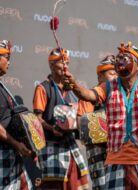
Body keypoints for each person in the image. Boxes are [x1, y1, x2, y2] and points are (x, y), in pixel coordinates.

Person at [64, 42, 138, 189]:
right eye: (120, 58)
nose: (121, 61)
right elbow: (86, 94)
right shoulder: (108, 87)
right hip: (116, 160)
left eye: (127, 58)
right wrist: (74, 84)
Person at [33, 47, 89, 190]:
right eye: (61, 62)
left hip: (69, 144)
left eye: (67, 63)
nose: (65, 66)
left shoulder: (71, 89)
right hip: (51, 145)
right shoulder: (42, 88)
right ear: (51, 65)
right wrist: (52, 128)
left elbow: (80, 112)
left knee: (76, 183)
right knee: (54, 185)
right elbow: (37, 118)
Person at [77, 54, 117, 190]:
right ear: (100, 76)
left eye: (117, 73)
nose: (116, 77)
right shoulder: (88, 97)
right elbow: (81, 125)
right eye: (112, 74)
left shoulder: (121, 97)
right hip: (99, 152)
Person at [0, 40, 33, 189]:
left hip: (9, 156)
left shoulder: (2, 86)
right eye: (7, 58)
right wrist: (17, 144)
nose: (9, 63)